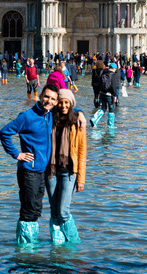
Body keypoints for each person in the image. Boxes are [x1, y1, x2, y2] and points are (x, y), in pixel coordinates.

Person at [0, 84, 59, 246]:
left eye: (53, 99)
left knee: (36, 208)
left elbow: (72, 109)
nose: (49, 101)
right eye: (46, 97)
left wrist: (80, 114)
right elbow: (4, 132)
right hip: (28, 171)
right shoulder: (27, 117)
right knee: (29, 209)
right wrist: (16, 154)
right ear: (40, 96)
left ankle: (29, 245)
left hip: (42, 171)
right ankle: (25, 248)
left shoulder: (50, 114)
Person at [46, 87, 86, 245]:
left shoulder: (77, 121)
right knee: (54, 212)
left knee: (63, 212)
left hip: (69, 172)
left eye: (66, 103)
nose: (63, 106)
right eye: (60, 102)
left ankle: (74, 243)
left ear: (71, 103)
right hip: (50, 171)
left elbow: (82, 151)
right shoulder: (50, 118)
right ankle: (58, 247)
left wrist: (81, 178)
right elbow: (40, 105)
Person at [92, 60, 119, 127]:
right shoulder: (112, 75)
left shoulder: (103, 72)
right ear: (114, 68)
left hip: (102, 93)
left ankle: (94, 119)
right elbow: (113, 86)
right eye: (115, 69)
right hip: (109, 95)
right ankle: (110, 125)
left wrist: (99, 94)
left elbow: (100, 83)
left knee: (103, 108)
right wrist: (115, 96)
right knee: (111, 109)